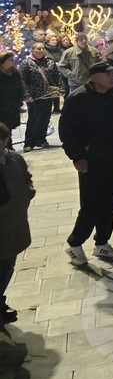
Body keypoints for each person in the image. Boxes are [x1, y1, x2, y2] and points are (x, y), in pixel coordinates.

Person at [60, 61, 113, 266]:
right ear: (94, 76)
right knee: (91, 204)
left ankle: (102, 242)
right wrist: (77, 156)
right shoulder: (79, 98)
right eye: (107, 74)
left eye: (112, 73)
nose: (112, 77)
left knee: (110, 201)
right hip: (92, 159)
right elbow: (67, 130)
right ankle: (75, 242)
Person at [0, 123, 34, 324]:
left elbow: (26, 177)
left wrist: (28, 190)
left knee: (7, 266)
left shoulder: (14, 159)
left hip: (14, 225)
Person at [18, 43, 60, 151]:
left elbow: (56, 76)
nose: (41, 50)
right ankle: (29, 142)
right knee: (33, 119)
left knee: (45, 118)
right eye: (38, 48)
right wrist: (26, 95)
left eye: (43, 48)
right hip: (34, 96)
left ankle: (41, 139)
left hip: (48, 95)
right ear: (32, 50)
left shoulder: (50, 62)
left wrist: (61, 88)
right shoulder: (26, 63)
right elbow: (23, 81)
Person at [0, 52, 23, 141]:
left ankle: (9, 144)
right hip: (2, 104)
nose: (12, 61)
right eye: (10, 59)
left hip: (12, 103)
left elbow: (19, 87)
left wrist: (20, 100)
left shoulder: (14, 72)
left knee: (9, 125)